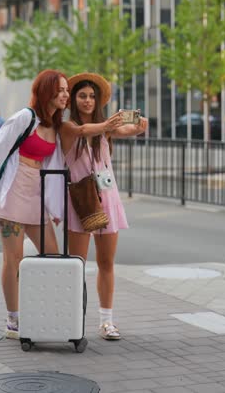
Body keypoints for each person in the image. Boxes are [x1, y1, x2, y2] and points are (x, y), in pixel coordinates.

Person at [0, 69, 69, 339]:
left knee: (52, 257)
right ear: (46, 91)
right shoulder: (25, 117)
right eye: (60, 89)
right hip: (13, 193)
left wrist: (55, 207)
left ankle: (44, 311)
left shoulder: (55, 125)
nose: (65, 95)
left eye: (66, 91)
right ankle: (13, 319)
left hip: (36, 196)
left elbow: (54, 167)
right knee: (13, 259)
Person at [59, 72, 148, 340]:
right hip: (81, 200)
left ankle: (107, 321)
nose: (88, 100)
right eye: (83, 96)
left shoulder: (105, 128)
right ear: (74, 99)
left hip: (107, 197)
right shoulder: (67, 126)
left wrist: (139, 125)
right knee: (77, 264)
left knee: (107, 262)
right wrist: (107, 124)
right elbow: (85, 131)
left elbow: (128, 130)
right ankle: (72, 320)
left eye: (92, 96)